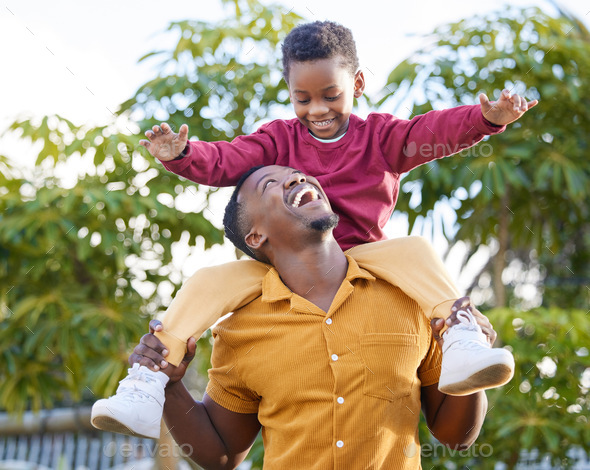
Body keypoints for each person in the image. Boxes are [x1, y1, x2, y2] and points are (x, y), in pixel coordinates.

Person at [91, 20, 533, 438]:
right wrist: (181, 155)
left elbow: (432, 129)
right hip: (285, 267)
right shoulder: (277, 140)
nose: (317, 109)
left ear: (357, 84)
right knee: (208, 280)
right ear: (289, 92)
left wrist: (486, 120)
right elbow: (227, 160)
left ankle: (459, 337)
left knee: (414, 248)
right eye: (302, 98)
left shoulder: (380, 138)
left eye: (330, 95)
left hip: (363, 257)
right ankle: (147, 382)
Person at [126, 165, 497, 469]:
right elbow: (222, 456)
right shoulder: (239, 330)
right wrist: (171, 387)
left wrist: (472, 361)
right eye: (270, 183)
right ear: (255, 236)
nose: (297, 178)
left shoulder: (410, 298)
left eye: (298, 174)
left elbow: (455, 436)